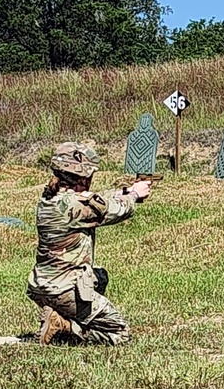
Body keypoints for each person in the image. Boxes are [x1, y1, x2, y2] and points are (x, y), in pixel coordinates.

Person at [27, 142, 150, 345]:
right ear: (83, 177)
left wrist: (124, 191)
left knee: (98, 276)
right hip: (65, 289)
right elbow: (116, 210)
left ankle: (63, 316)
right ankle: (64, 326)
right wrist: (135, 195)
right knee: (119, 334)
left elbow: (93, 200)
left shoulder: (49, 198)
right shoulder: (76, 207)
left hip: (42, 286)